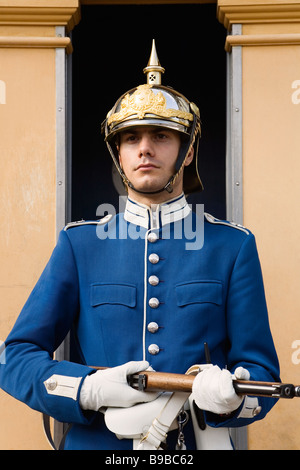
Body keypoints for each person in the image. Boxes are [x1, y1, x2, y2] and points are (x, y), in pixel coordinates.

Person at [0, 41, 280, 450]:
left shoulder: (232, 246)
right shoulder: (80, 244)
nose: (144, 148)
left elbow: (261, 374)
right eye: (131, 138)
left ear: (187, 152)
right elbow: (15, 358)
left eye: (161, 136)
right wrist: (88, 389)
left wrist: (232, 395)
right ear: (119, 153)